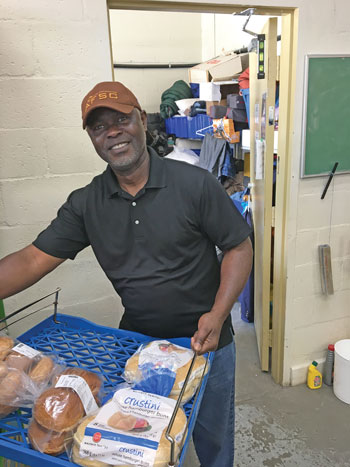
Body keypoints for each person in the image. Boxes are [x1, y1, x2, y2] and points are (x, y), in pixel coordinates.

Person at [0, 81, 253, 467]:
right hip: (137, 347)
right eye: (99, 127)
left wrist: (218, 316)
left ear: (140, 119)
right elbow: (33, 259)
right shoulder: (87, 204)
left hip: (208, 342)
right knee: (140, 445)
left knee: (213, 441)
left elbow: (239, 247)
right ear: (92, 139)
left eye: (121, 119)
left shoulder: (194, 184)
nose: (113, 132)